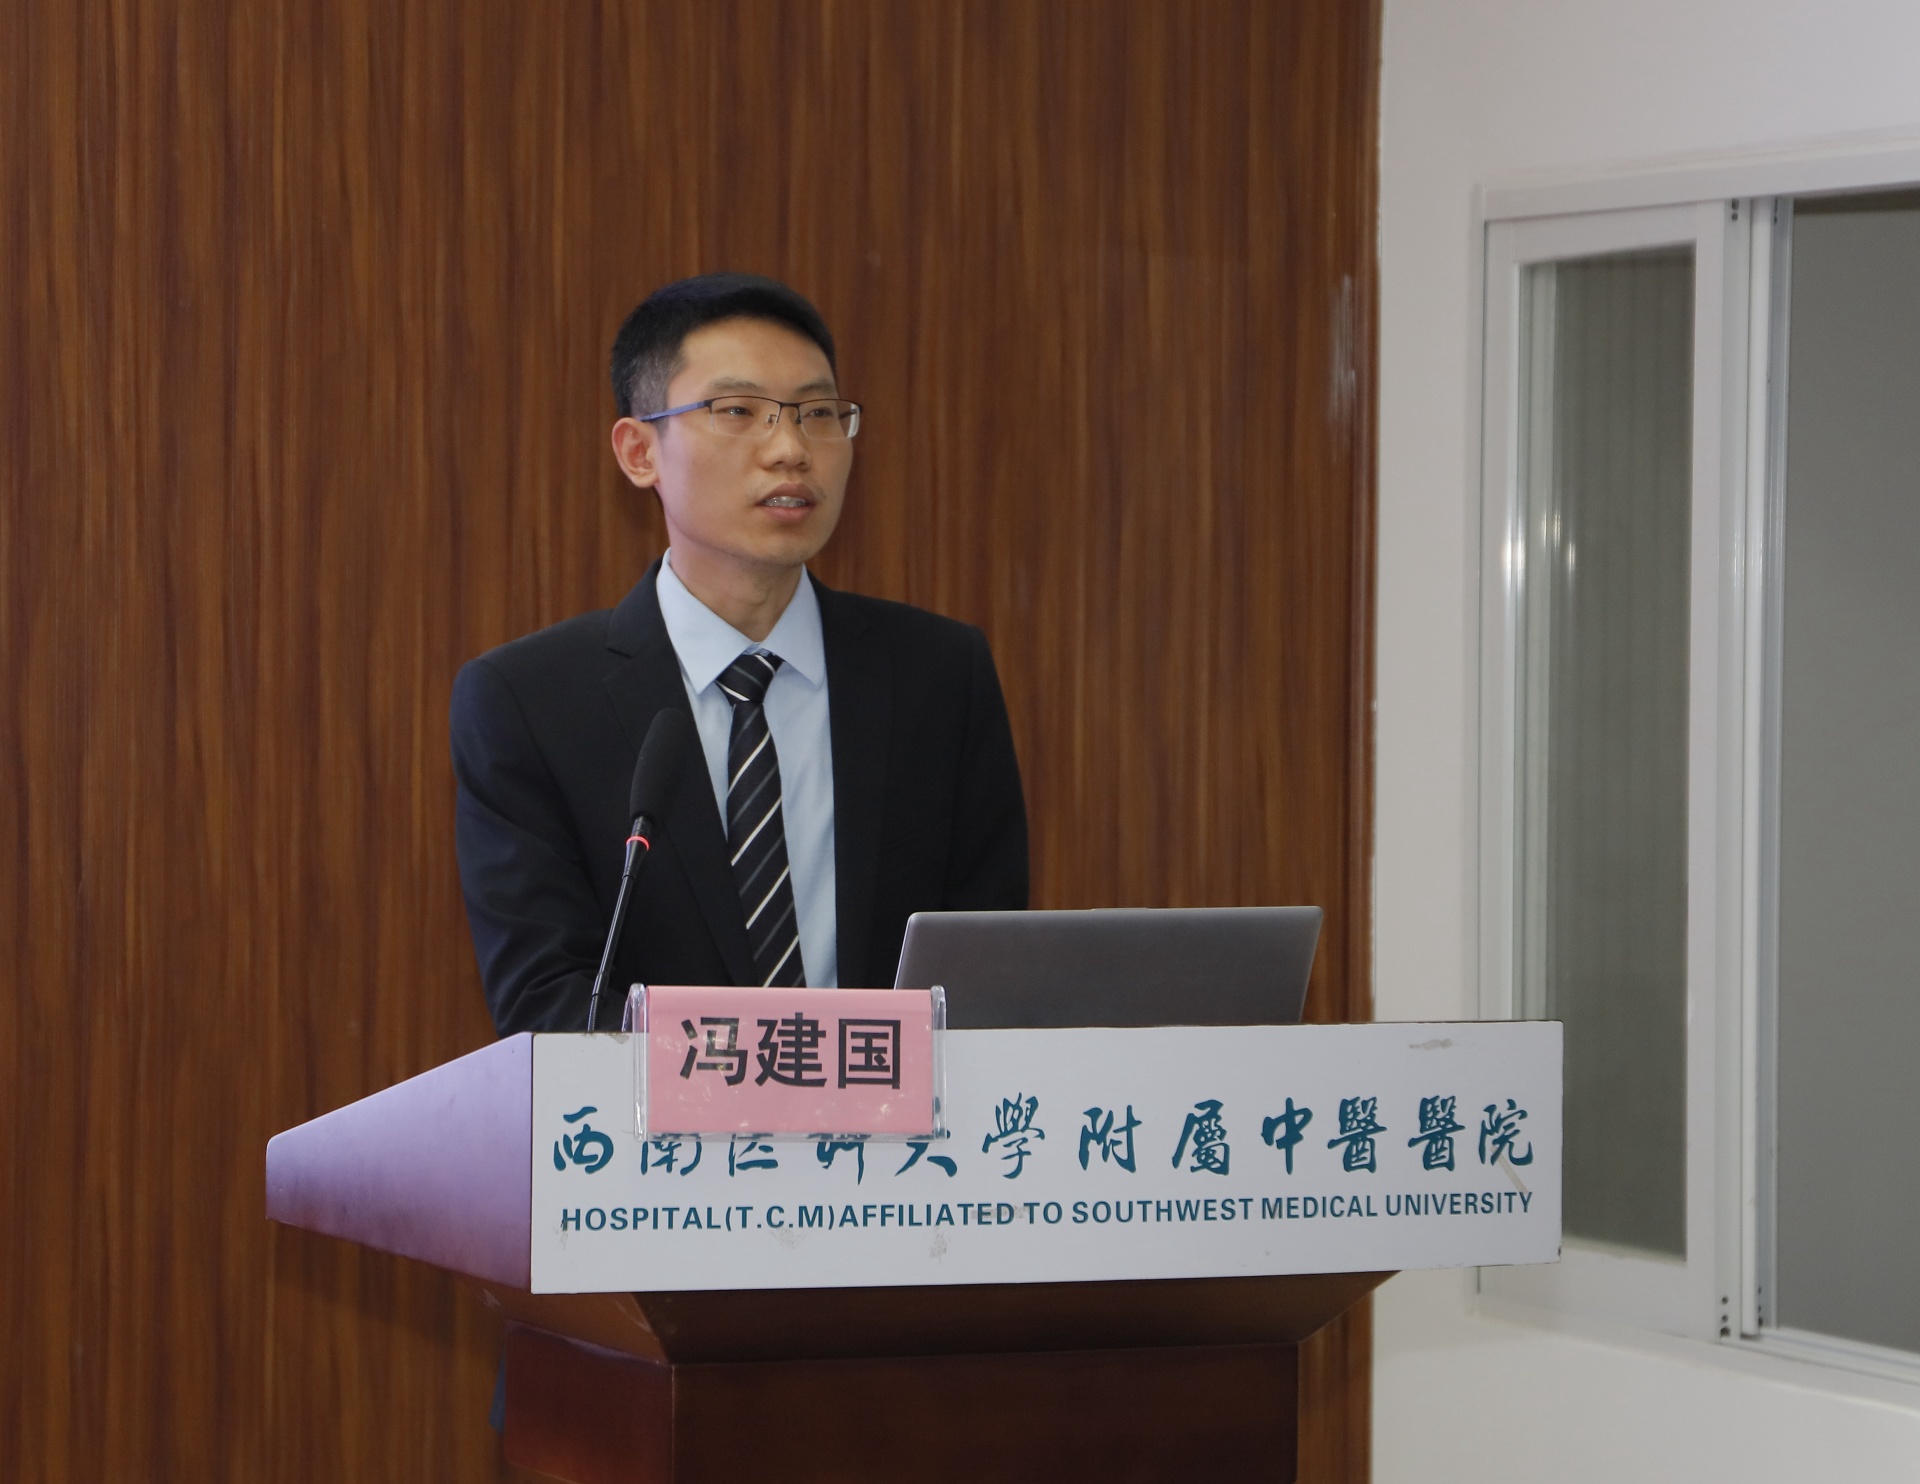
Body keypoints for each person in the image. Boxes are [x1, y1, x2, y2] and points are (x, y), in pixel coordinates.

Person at [451, 273, 1029, 1034]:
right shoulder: (529, 702)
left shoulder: (939, 676)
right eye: (737, 411)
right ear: (639, 452)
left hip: (902, 1113)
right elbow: (549, 1005)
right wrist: (763, 1076)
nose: (790, 449)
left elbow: (985, 980)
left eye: (818, 414)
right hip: (654, 1115)